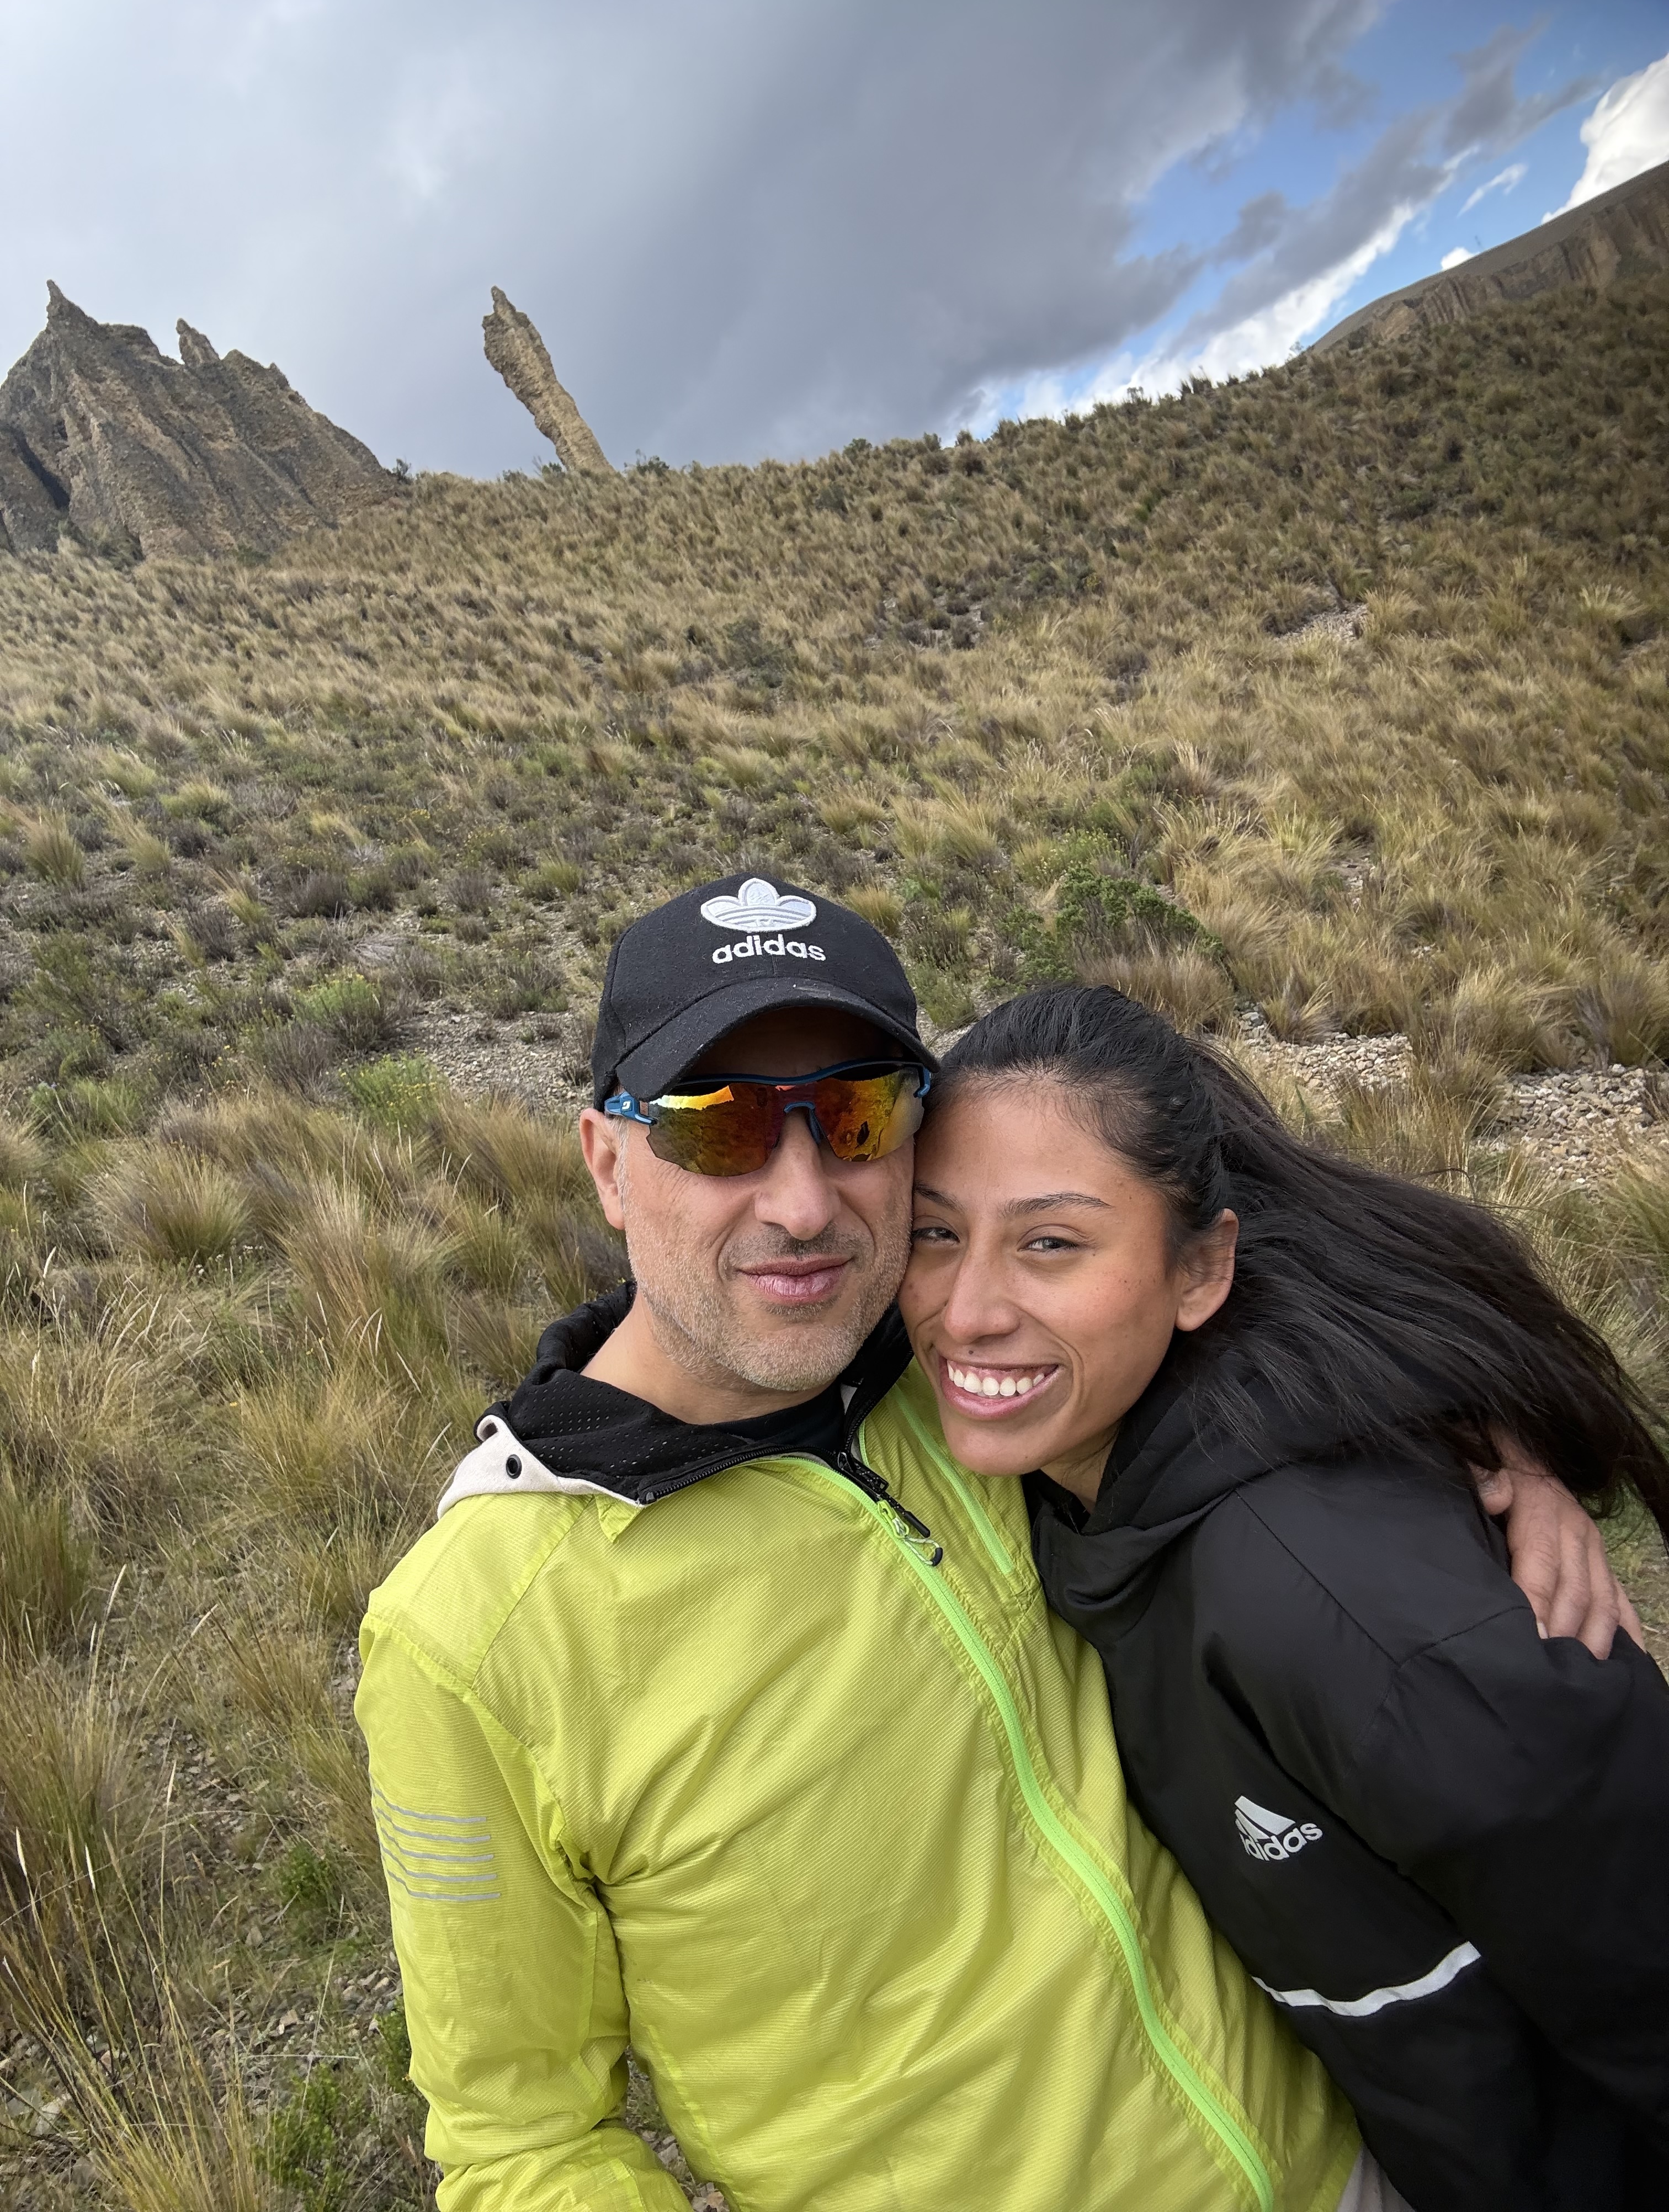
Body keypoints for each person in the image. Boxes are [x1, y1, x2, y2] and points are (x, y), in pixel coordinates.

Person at [355, 878, 1623, 2212]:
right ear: (608, 1161)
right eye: (716, 1126)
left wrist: (1486, 1439)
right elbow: (522, 2145)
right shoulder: (474, 1638)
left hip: (1345, 2165)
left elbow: (1227, 1257)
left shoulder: (965, 1369)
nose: (803, 1203)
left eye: (857, 1116)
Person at [897, 981, 1669, 2212]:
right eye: (934, 1233)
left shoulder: (1353, 1616)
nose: (968, 1310)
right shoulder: (1071, 1468)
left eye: (1052, 1244)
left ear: (1203, 1270)